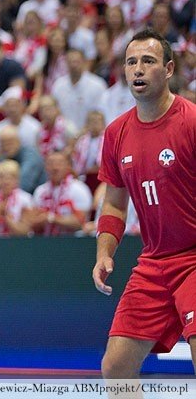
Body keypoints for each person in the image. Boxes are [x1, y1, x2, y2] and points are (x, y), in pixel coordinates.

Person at [93, 29, 196, 378]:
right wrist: (104, 253)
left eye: (148, 61)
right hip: (154, 263)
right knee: (116, 367)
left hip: (194, 258)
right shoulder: (116, 133)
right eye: (131, 62)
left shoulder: (191, 121)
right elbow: (114, 205)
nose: (138, 69)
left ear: (168, 69)